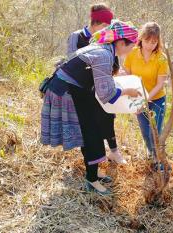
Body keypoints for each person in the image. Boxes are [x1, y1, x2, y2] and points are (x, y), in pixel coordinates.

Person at [41, 20, 140, 196]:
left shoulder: (103, 49)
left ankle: (92, 173)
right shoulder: (104, 55)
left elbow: (101, 82)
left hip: (75, 89)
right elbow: (106, 94)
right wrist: (128, 91)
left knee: (91, 130)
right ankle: (92, 180)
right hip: (67, 92)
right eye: (131, 46)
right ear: (121, 43)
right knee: (91, 133)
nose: (131, 50)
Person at [66, 4, 125, 164]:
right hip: (83, 90)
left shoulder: (107, 39)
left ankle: (113, 152)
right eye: (107, 25)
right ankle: (92, 160)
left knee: (107, 117)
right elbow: (71, 60)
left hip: (101, 86)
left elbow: (114, 64)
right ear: (101, 24)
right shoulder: (76, 37)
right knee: (87, 126)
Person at [123, 22, 168, 159]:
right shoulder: (132, 53)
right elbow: (128, 75)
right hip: (138, 97)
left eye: (154, 42)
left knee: (154, 131)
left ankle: (157, 157)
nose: (150, 45)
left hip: (157, 99)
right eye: (147, 41)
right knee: (144, 131)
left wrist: (145, 100)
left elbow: (160, 84)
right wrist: (136, 100)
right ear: (141, 38)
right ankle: (151, 151)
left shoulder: (161, 58)